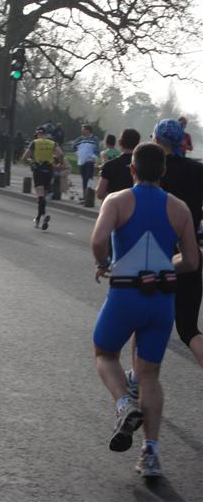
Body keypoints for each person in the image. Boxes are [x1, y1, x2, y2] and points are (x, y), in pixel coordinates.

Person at [91, 142, 198, 479]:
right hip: (161, 299)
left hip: (125, 296)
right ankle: (150, 454)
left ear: (132, 169)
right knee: (149, 375)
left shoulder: (118, 200)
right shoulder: (180, 208)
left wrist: (103, 262)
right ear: (164, 171)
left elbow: (98, 239)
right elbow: (193, 261)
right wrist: (166, 266)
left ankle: (124, 404)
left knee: (105, 354)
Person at [152, 119, 203, 369]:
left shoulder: (154, 171)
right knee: (188, 328)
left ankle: (139, 380)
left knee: (146, 323)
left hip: (160, 252)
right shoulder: (196, 170)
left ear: (156, 140)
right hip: (190, 250)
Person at [22, 126, 64, 230]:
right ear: (46, 134)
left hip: (38, 169)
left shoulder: (35, 142)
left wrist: (30, 161)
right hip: (49, 170)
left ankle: (43, 216)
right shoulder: (52, 143)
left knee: (40, 196)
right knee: (43, 196)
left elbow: (24, 157)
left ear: (37, 134)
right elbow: (61, 154)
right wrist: (59, 163)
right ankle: (38, 219)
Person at [96, 129, 141, 201]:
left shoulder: (109, 165)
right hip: (133, 207)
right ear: (138, 144)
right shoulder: (142, 166)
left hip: (112, 207)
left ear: (120, 143)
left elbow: (100, 193)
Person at [73, 124, 100, 200]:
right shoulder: (80, 139)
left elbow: (97, 150)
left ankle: (89, 196)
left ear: (88, 130)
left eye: (83, 129)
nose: (82, 131)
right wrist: (77, 154)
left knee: (89, 178)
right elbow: (74, 146)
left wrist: (93, 158)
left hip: (89, 161)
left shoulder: (94, 139)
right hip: (81, 161)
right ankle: (85, 196)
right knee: (84, 179)